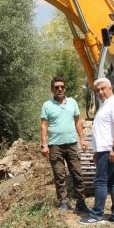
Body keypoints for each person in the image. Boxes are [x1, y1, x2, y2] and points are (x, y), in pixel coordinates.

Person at [80, 77, 114, 225]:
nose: (100, 92)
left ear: (110, 88)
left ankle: (97, 215)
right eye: (97, 90)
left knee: (100, 182)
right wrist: (96, 151)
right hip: (104, 149)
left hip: (109, 149)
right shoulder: (106, 105)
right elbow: (102, 130)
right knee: (113, 182)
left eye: (103, 88)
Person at [41, 77, 91, 213]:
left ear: (65, 88)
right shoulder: (47, 105)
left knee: (77, 173)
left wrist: (82, 139)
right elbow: (44, 125)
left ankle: (81, 202)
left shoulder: (72, 103)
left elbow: (78, 122)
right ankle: (63, 201)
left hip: (71, 144)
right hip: (55, 146)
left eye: (62, 86)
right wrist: (44, 145)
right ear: (52, 89)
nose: (59, 89)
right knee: (59, 175)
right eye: (56, 87)